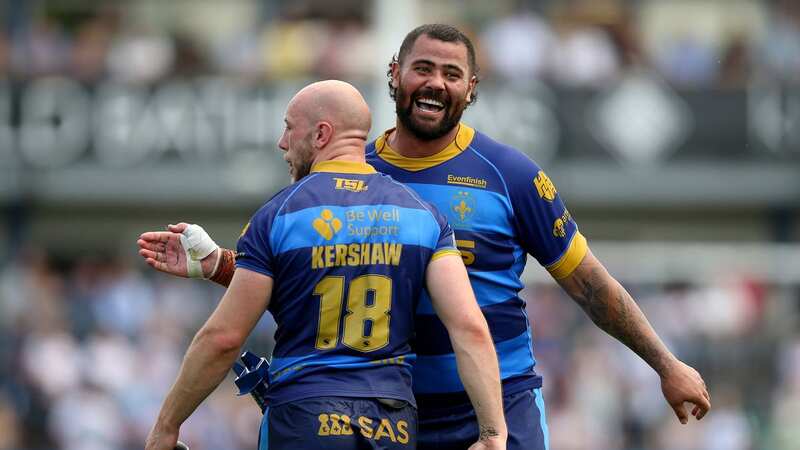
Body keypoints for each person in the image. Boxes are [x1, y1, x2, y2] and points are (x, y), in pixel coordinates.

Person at [139, 25, 711, 450]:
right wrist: (219, 265)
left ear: (472, 88)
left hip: (499, 401)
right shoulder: (346, 169)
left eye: (452, 74)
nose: (435, 83)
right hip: (393, 411)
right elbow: (293, 273)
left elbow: (590, 286)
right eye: (422, 69)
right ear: (394, 74)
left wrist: (665, 363)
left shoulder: (509, 175)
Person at [142, 80, 507, 450]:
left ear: (321, 134)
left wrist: (167, 425)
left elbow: (224, 338)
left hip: (303, 416)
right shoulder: (424, 216)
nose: (282, 143)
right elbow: (469, 327)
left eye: (288, 127)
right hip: (390, 425)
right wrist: (493, 434)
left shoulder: (278, 215)